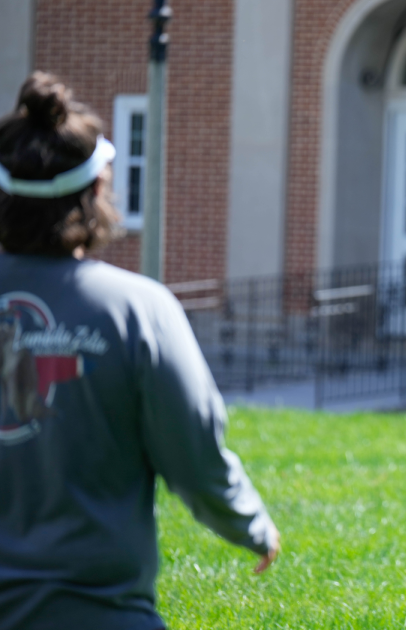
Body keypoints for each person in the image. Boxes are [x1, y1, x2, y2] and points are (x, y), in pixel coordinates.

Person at [0, 72, 280, 630]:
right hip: (100, 613)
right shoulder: (137, 310)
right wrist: (251, 525)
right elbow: (195, 457)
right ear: (98, 191)